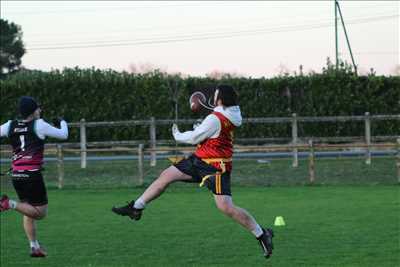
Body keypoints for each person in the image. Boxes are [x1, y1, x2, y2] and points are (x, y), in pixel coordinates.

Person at [112, 85, 274, 259]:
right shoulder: (228, 114)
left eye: (216, 95)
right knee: (166, 176)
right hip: (200, 160)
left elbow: (195, 137)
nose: (213, 97)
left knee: (226, 207)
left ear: (220, 99)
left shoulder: (216, 118)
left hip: (215, 168)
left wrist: (178, 135)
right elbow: (209, 128)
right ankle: (136, 207)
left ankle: (262, 234)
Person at [0, 96, 69, 257]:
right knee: (40, 213)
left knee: (29, 211)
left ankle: (34, 247)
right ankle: (8, 203)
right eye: (38, 108)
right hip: (32, 176)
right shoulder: (40, 125)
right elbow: (64, 135)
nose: (40, 110)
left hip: (17, 175)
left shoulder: (9, 125)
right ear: (32, 111)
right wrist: (63, 122)